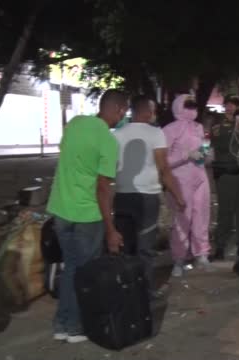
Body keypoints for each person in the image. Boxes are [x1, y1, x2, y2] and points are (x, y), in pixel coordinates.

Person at [47, 89, 128, 343]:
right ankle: (74, 327)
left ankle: (62, 324)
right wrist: (111, 229)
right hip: (86, 216)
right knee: (82, 273)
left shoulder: (75, 124)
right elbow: (103, 188)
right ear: (118, 110)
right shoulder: (108, 141)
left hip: (60, 210)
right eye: (123, 110)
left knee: (71, 268)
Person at [113, 95, 186, 295]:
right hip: (147, 199)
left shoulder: (117, 134)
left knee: (126, 247)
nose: (155, 114)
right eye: (153, 110)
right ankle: (144, 291)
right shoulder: (156, 134)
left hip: (122, 197)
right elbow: (164, 169)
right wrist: (178, 196)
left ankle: (125, 290)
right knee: (145, 247)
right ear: (146, 111)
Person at [163, 94, 212, 277]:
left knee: (202, 216)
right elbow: (163, 161)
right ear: (178, 106)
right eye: (188, 105)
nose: (192, 108)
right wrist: (186, 156)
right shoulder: (170, 129)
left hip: (200, 177)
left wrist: (206, 155)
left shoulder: (198, 127)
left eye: (194, 105)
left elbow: (203, 149)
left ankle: (202, 254)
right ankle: (179, 258)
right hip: (180, 180)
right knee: (182, 219)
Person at [211, 96, 239, 260]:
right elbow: (221, 144)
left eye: (234, 105)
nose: (230, 108)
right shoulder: (218, 124)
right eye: (227, 105)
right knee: (225, 211)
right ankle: (220, 245)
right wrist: (236, 127)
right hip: (226, 172)